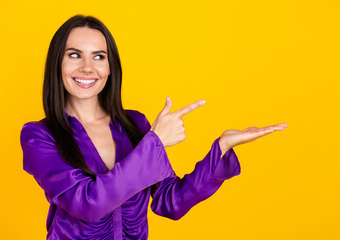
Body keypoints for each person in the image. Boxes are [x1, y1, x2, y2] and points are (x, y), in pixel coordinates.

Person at [20, 15, 288, 240]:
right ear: (58, 63)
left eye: (99, 57)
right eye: (75, 55)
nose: (87, 67)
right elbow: (88, 204)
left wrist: (221, 148)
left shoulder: (135, 124)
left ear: (111, 67)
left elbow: (170, 201)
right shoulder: (39, 136)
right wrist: (154, 142)